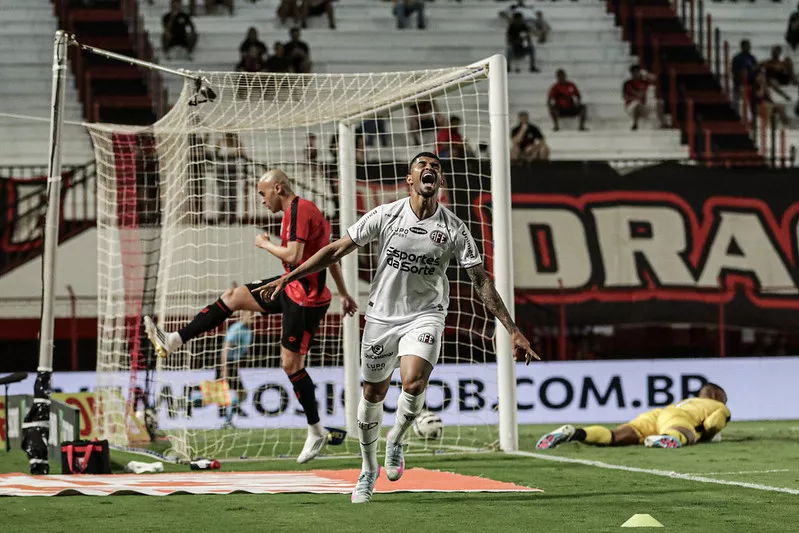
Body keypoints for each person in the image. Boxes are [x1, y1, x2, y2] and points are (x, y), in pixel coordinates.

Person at [255, 152, 539, 503]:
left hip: (427, 314)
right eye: (422, 165)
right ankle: (368, 469)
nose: (429, 169)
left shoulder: (453, 228)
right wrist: (290, 278)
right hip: (381, 318)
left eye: (435, 166)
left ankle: (397, 438)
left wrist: (511, 328)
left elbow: (481, 281)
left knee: (414, 380)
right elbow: (336, 250)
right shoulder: (386, 214)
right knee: (373, 394)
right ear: (409, 179)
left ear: (441, 181)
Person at [144, 169, 358, 464]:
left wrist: (265, 244)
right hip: (290, 287)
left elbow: (295, 256)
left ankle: (316, 429)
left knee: (291, 364)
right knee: (234, 298)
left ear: (279, 189)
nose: (261, 199)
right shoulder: (304, 210)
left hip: (305, 298)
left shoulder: (298, 211)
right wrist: (345, 293)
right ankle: (174, 340)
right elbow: (329, 253)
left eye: (262, 193)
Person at [536, 383, 730, 450]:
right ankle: (667, 439)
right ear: (718, 396)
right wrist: (707, 433)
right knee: (682, 434)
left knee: (614, 436)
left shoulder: (689, 400)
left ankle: (576, 432)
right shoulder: (718, 406)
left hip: (657, 414)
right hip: (678, 418)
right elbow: (714, 423)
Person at [218, 310, 255, 429]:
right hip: (227, 364)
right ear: (242, 315)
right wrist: (224, 370)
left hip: (233, 364)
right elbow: (226, 348)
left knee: (241, 394)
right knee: (216, 395)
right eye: (250, 315)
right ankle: (188, 401)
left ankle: (227, 421)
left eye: (253, 316)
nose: (252, 318)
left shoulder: (248, 331)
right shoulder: (237, 328)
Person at [212, 132, 247, 222]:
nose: (228, 136)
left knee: (232, 194)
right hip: (221, 172)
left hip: (232, 171)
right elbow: (214, 154)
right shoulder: (220, 142)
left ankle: (232, 217)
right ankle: (221, 216)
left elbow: (243, 154)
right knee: (222, 194)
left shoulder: (237, 143)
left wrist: (234, 154)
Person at [622, 65, 667, 130]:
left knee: (659, 102)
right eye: (635, 72)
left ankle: (663, 123)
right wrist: (636, 97)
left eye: (638, 72)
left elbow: (655, 79)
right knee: (637, 104)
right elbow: (625, 96)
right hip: (632, 106)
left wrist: (646, 75)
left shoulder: (645, 82)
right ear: (632, 73)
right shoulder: (627, 83)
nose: (636, 74)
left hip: (644, 106)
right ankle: (635, 123)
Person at [730, 40, 758, 114]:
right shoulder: (737, 58)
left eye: (749, 46)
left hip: (750, 81)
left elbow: (756, 68)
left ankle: (754, 113)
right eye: (746, 46)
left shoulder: (752, 58)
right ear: (742, 47)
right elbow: (733, 70)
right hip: (739, 80)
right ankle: (735, 112)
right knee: (736, 96)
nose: (748, 48)